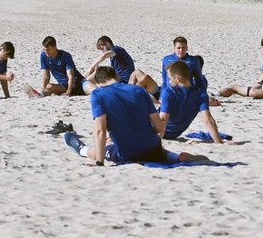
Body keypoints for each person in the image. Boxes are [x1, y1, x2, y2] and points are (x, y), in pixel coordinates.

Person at [61, 66, 203, 165]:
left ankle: (83, 150)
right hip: (153, 148)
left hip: (128, 153)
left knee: (103, 149)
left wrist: (100, 162)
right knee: (156, 150)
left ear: (98, 83)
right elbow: (159, 126)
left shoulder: (98, 94)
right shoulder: (138, 90)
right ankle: (176, 157)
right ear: (116, 77)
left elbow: (99, 131)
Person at [159, 61, 224, 142]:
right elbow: (208, 120)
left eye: (170, 78)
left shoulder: (168, 92)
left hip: (151, 130)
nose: (169, 81)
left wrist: (156, 142)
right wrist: (219, 142)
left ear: (177, 79)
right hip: (173, 134)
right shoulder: (201, 94)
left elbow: (163, 120)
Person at [82, 36, 159, 95]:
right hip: (120, 80)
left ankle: (83, 83)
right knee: (98, 71)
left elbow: (104, 55)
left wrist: (92, 66)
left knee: (97, 72)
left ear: (108, 44)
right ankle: (83, 81)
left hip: (124, 81)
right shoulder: (114, 56)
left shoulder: (117, 50)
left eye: (102, 49)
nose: (102, 51)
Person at [219, 34, 263, 101]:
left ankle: (215, 94)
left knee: (233, 87)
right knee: (235, 89)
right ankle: (216, 94)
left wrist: (255, 85)